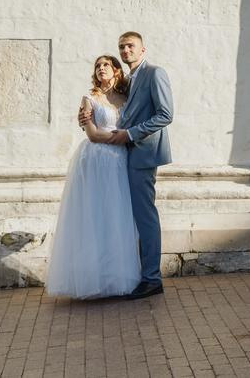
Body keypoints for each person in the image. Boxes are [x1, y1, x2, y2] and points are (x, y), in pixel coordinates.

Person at [80, 31, 173, 300]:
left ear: (142, 50)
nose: (125, 50)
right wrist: (87, 118)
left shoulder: (154, 73)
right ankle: (130, 273)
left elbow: (165, 114)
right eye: (122, 47)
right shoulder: (128, 81)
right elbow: (118, 111)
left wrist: (130, 135)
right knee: (125, 217)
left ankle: (152, 279)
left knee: (145, 217)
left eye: (131, 46)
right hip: (124, 156)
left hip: (144, 154)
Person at [46, 55, 141, 299]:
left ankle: (115, 277)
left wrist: (124, 137)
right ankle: (91, 278)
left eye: (106, 65)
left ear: (116, 71)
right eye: (98, 66)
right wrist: (122, 137)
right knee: (93, 213)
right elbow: (92, 135)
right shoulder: (89, 99)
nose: (101, 69)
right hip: (96, 159)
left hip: (119, 161)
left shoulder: (127, 99)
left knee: (116, 215)